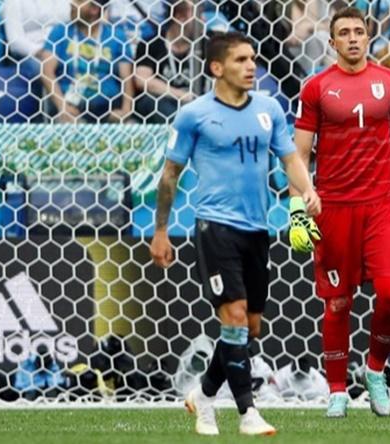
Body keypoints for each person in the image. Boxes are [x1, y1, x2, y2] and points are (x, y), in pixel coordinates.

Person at [149, 31, 320, 436]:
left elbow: (290, 158)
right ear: (216, 68)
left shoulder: (268, 109)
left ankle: (204, 394)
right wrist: (161, 230)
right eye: (242, 60)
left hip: (258, 228)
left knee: (249, 326)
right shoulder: (194, 115)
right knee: (236, 317)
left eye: (253, 59)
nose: (251, 67)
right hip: (215, 226)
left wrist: (308, 189)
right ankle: (247, 412)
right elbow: (169, 177)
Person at [289, 6, 390, 418]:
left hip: (380, 205)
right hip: (333, 207)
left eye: (360, 31)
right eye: (345, 32)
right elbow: (298, 155)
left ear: (368, 36)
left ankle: (375, 370)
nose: (354, 38)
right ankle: (337, 389)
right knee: (338, 303)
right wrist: (297, 208)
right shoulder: (316, 88)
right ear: (333, 40)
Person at [40, 0, 134, 123]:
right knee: (67, 128)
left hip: (108, 108)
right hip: (71, 106)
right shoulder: (60, 32)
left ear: (94, 9)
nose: (72, 3)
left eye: (79, 1)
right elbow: (46, 72)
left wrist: (126, 110)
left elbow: (127, 77)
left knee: (132, 131)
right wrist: (62, 106)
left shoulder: (117, 36)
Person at [134, 0, 205, 123]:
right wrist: (180, 95)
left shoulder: (203, 45)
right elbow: (142, 80)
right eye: (198, 15)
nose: (203, 21)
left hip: (195, 105)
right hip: (163, 101)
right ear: (180, 17)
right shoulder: (152, 43)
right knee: (152, 101)